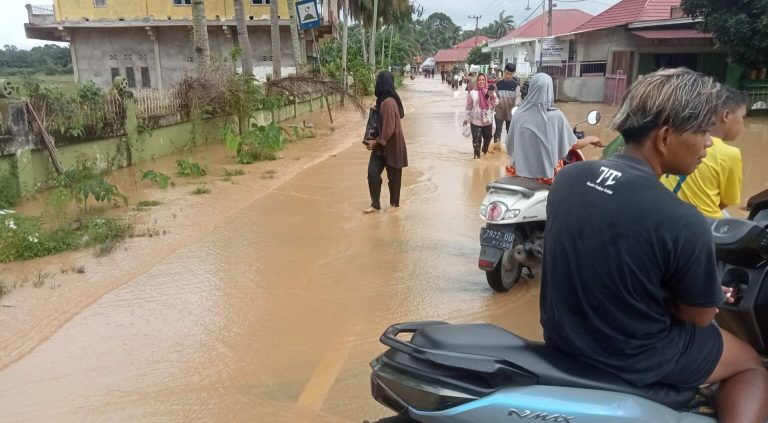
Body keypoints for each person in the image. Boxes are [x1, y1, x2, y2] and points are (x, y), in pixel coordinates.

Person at [540, 68, 768, 423]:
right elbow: (700, 316)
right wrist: (709, 293)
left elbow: (606, 259)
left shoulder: (568, 178)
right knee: (752, 365)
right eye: (703, 132)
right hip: (635, 358)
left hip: (566, 340)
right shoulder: (681, 219)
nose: (709, 143)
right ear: (664, 137)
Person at [660, 86, 746, 219]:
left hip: (666, 212)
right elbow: (726, 201)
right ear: (726, 115)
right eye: (743, 117)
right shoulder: (730, 154)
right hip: (703, 222)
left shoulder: (675, 139)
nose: (742, 124)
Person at [504, 72, 601, 183]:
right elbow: (574, 145)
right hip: (547, 176)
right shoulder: (556, 116)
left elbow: (510, 145)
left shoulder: (519, 114)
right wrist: (592, 139)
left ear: (531, 89)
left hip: (518, 173)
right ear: (550, 91)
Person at [363, 71, 408, 214]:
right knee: (373, 173)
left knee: (393, 178)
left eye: (378, 81)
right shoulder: (383, 101)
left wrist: (375, 142)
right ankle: (375, 205)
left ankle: (394, 206)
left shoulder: (389, 102)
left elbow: (388, 130)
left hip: (391, 145)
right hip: (381, 145)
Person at [463, 73, 498, 159]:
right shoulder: (472, 93)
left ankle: (484, 151)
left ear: (486, 81)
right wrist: (467, 118)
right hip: (475, 121)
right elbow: (469, 106)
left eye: (483, 80)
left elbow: (495, 104)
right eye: (479, 80)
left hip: (487, 121)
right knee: (476, 141)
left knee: (488, 139)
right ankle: (477, 158)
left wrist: (492, 96)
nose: (481, 82)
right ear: (477, 81)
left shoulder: (490, 92)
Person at [491, 63, 521, 152]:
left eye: (510, 74)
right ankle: (496, 152)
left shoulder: (516, 85)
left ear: (513, 74)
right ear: (504, 71)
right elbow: (494, 96)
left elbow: (518, 97)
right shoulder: (498, 84)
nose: (508, 75)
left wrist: (516, 107)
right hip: (499, 111)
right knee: (497, 132)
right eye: (507, 73)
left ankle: (510, 152)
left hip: (510, 113)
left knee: (510, 133)